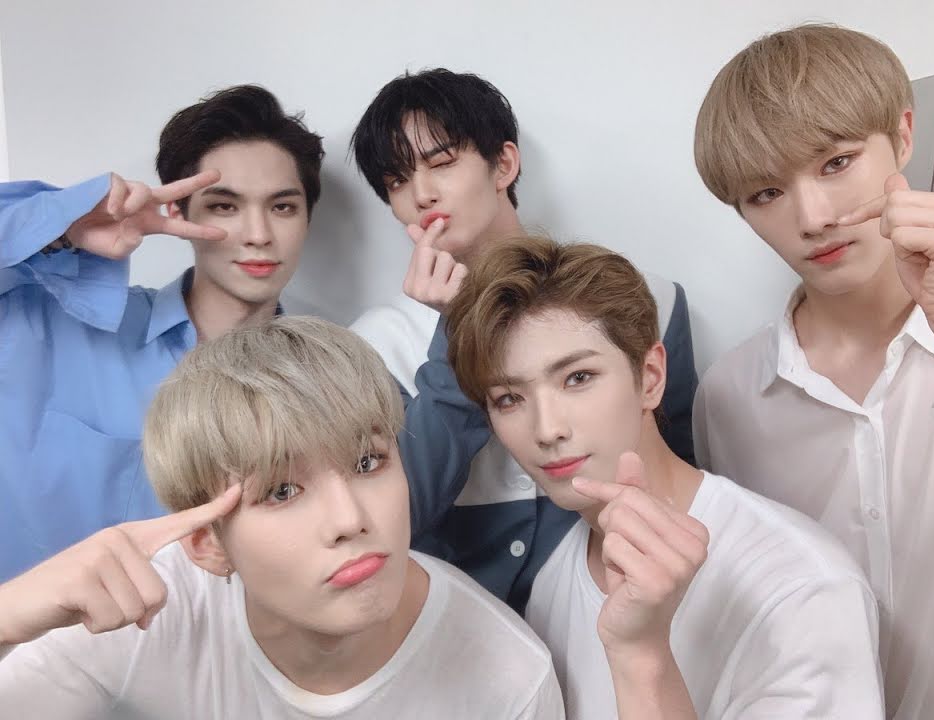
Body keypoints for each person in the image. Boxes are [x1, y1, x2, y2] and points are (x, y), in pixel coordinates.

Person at [1, 84, 487, 583]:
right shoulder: (52, 323)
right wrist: (61, 228)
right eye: (224, 206)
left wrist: (461, 322)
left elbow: (401, 512)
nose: (258, 235)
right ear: (178, 212)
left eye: (282, 207)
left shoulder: (334, 377)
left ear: (307, 219)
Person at [0, 316, 563, 719]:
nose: (349, 519)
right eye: (283, 490)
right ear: (206, 543)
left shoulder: (509, 677)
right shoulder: (158, 611)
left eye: (368, 462)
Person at [445, 235, 883, 718]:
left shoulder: (803, 589)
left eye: (578, 378)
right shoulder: (554, 580)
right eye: (509, 399)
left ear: (650, 377)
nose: (547, 429)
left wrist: (641, 653)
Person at [350, 68, 698, 611]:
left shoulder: (647, 298)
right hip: (462, 620)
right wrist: (456, 332)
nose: (421, 194)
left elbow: (680, 469)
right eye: (397, 181)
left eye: (442, 163)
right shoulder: (375, 344)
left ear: (504, 164)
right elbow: (397, 516)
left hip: (620, 588)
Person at [692, 24, 934, 718]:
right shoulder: (729, 396)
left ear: (903, 135)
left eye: (836, 162)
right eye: (765, 194)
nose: (812, 217)